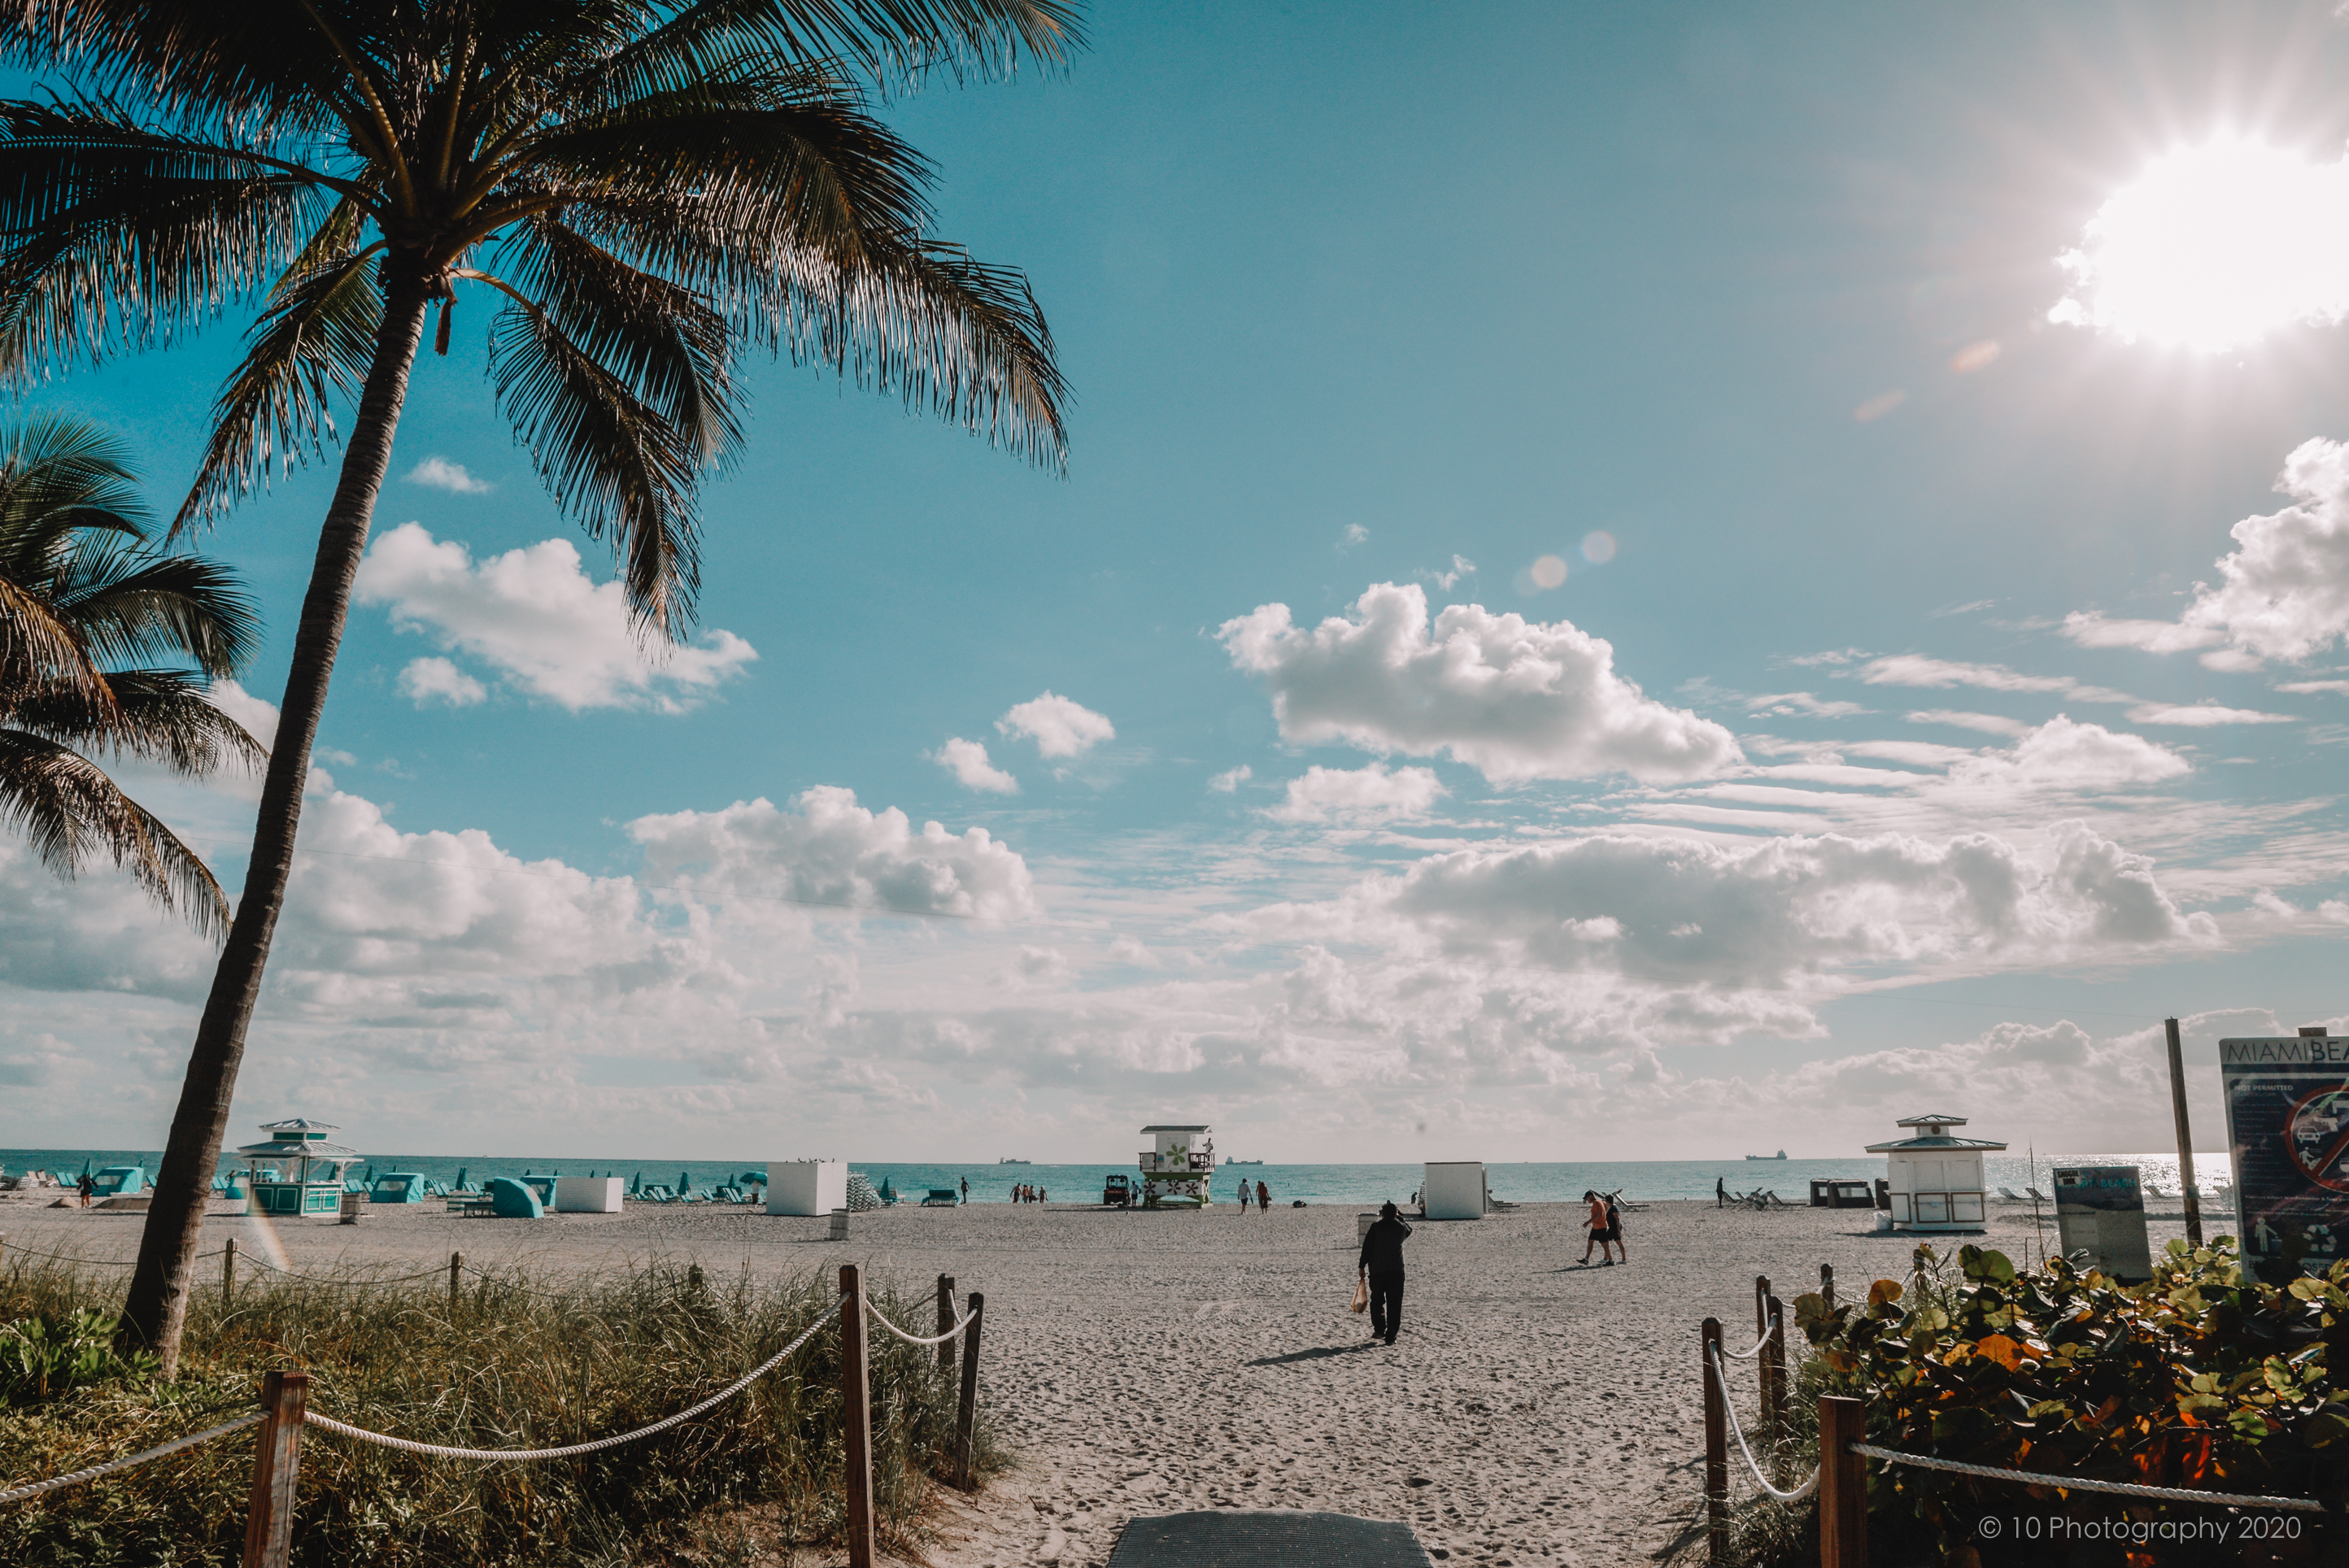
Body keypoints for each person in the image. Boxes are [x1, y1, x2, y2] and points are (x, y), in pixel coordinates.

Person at [1358, 1200, 1412, 1344]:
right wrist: (1399, 1217)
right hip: (1396, 1270)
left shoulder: (1376, 1227)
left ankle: (1380, 1329)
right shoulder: (1400, 1227)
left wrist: (1362, 1265)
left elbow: (1367, 1247)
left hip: (1378, 1270)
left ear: (1382, 1214)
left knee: (1377, 1301)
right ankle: (1391, 1335)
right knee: (1395, 1303)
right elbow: (1409, 1229)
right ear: (1395, 1213)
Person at [1580, 1191, 1610, 1265]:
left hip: (1600, 1226)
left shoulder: (1596, 1203)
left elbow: (1597, 1215)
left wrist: (1587, 1222)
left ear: (1591, 1196)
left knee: (1604, 1244)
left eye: (1587, 1198)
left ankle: (1611, 1260)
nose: (1587, 1200)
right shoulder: (1601, 1201)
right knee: (1590, 1241)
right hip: (1596, 1226)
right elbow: (1606, 1207)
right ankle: (1586, 1259)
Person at [1605, 1191, 1627, 1264]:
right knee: (1606, 1241)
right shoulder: (1612, 1207)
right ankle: (1606, 1258)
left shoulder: (1614, 1208)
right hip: (1611, 1227)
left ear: (1608, 1201)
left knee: (1618, 1242)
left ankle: (1624, 1259)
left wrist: (1618, 1231)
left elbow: (1617, 1219)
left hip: (1615, 1228)